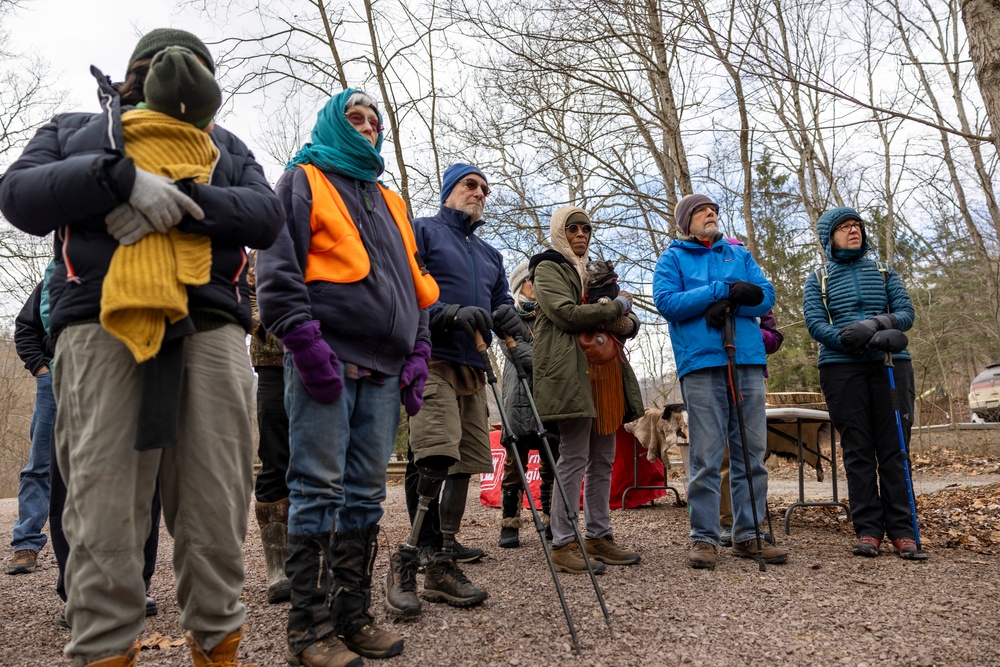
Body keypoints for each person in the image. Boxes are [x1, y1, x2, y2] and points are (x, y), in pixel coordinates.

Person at [0, 27, 284, 667]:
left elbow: (266, 217)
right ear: (133, 74)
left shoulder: (226, 145)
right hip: (99, 329)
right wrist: (118, 179)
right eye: (158, 64)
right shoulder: (74, 128)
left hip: (210, 331)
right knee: (102, 517)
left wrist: (183, 201)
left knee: (216, 515)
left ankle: (218, 644)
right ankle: (102, 647)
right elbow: (18, 196)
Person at [258, 88, 438, 665]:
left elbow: (416, 283)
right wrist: (305, 345)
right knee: (314, 487)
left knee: (364, 492)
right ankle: (307, 630)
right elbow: (277, 267)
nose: (365, 127)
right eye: (354, 118)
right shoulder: (301, 179)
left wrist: (419, 352)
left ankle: (352, 615)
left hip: (386, 369)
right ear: (335, 124)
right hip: (325, 359)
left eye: (373, 121)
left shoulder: (391, 200)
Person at [384, 162, 524, 617]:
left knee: (464, 460)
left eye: (485, 188)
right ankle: (418, 554)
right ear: (449, 190)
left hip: (474, 363)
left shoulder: (490, 254)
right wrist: (446, 313)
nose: (480, 192)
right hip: (431, 357)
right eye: (471, 184)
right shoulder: (422, 230)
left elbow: (502, 301)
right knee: (435, 452)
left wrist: (517, 335)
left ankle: (442, 554)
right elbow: (408, 283)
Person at [652, 194, 789, 570]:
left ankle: (748, 534)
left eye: (714, 209)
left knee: (751, 453)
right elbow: (666, 302)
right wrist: (719, 292)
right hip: (701, 364)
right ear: (685, 222)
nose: (711, 214)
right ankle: (705, 537)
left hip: (745, 359)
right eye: (701, 210)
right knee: (706, 454)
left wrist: (730, 300)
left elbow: (765, 296)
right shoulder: (673, 257)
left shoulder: (738, 254)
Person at [803, 207, 924, 560]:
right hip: (841, 369)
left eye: (857, 225)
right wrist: (847, 339)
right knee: (857, 450)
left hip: (890, 364)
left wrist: (875, 326)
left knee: (895, 447)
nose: (853, 231)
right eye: (844, 227)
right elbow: (815, 323)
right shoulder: (818, 278)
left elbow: (906, 312)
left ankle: (902, 530)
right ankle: (868, 529)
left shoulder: (885, 271)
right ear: (830, 237)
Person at [529, 206, 643, 573]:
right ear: (560, 232)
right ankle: (562, 542)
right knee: (574, 456)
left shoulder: (595, 272)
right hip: (571, 373)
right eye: (573, 228)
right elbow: (565, 314)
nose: (581, 234)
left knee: (603, 459)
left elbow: (625, 318)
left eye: (587, 229)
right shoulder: (548, 267)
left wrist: (625, 316)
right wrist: (616, 306)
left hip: (606, 373)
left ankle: (598, 535)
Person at [497, 261, 557, 548]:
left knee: (551, 461)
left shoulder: (552, 315)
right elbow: (516, 353)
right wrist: (548, 361)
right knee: (514, 464)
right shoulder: (508, 317)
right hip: (518, 397)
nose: (535, 284)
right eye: (530, 280)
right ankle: (509, 523)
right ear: (520, 285)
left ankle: (550, 520)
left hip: (548, 398)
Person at [247, 249, 291, 605]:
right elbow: (245, 294)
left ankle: (320, 554)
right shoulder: (261, 249)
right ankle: (278, 564)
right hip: (273, 362)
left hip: (326, 358)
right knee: (275, 456)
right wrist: (268, 322)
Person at [8, 281, 56, 576]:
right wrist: (41, 369)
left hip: (105, 378)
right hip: (53, 381)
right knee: (39, 464)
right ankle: (25, 543)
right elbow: (25, 328)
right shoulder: (51, 281)